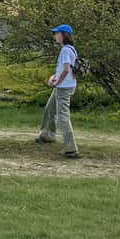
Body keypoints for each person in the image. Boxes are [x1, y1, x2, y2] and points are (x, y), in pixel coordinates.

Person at [36, 24, 81, 158]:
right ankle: (47, 135)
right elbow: (64, 69)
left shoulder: (65, 50)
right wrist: (53, 77)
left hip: (64, 87)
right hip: (65, 85)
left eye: (57, 33)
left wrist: (57, 82)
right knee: (50, 108)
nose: (55, 36)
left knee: (63, 117)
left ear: (63, 35)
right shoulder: (71, 49)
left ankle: (70, 149)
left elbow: (66, 69)